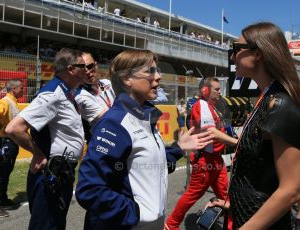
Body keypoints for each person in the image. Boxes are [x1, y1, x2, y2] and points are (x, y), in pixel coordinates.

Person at [75, 49, 214, 230]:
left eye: (158, 71)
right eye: (151, 71)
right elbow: (89, 189)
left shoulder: (144, 117)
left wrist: (178, 148)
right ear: (127, 79)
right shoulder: (115, 123)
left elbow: (146, 167)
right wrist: (139, 214)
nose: (158, 77)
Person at [208, 22, 300, 229]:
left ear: (257, 53)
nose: (232, 57)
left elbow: (290, 190)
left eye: (235, 49)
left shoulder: (280, 104)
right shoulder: (266, 99)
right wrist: (234, 202)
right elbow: (260, 171)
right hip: (246, 213)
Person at [5, 48, 87, 229]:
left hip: (61, 173)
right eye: (83, 66)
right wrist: (39, 154)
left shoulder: (66, 92)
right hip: (50, 174)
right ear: (71, 69)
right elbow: (14, 128)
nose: (87, 70)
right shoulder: (53, 93)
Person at [165, 77, 238, 230]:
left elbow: (221, 129)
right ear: (205, 90)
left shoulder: (213, 106)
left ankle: (231, 225)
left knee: (226, 196)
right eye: (216, 89)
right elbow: (212, 132)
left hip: (215, 159)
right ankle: (171, 225)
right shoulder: (202, 105)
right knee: (192, 195)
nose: (220, 92)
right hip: (205, 160)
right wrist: (236, 142)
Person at [0, 80, 23, 213]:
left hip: (9, 142)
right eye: (21, 88)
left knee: (5, 173)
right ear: (14, 88)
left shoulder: (12, 101)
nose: (23, 90)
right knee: (2, 174)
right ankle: (1, 201)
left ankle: (2, 198)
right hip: (5, 143)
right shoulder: (6, 101)